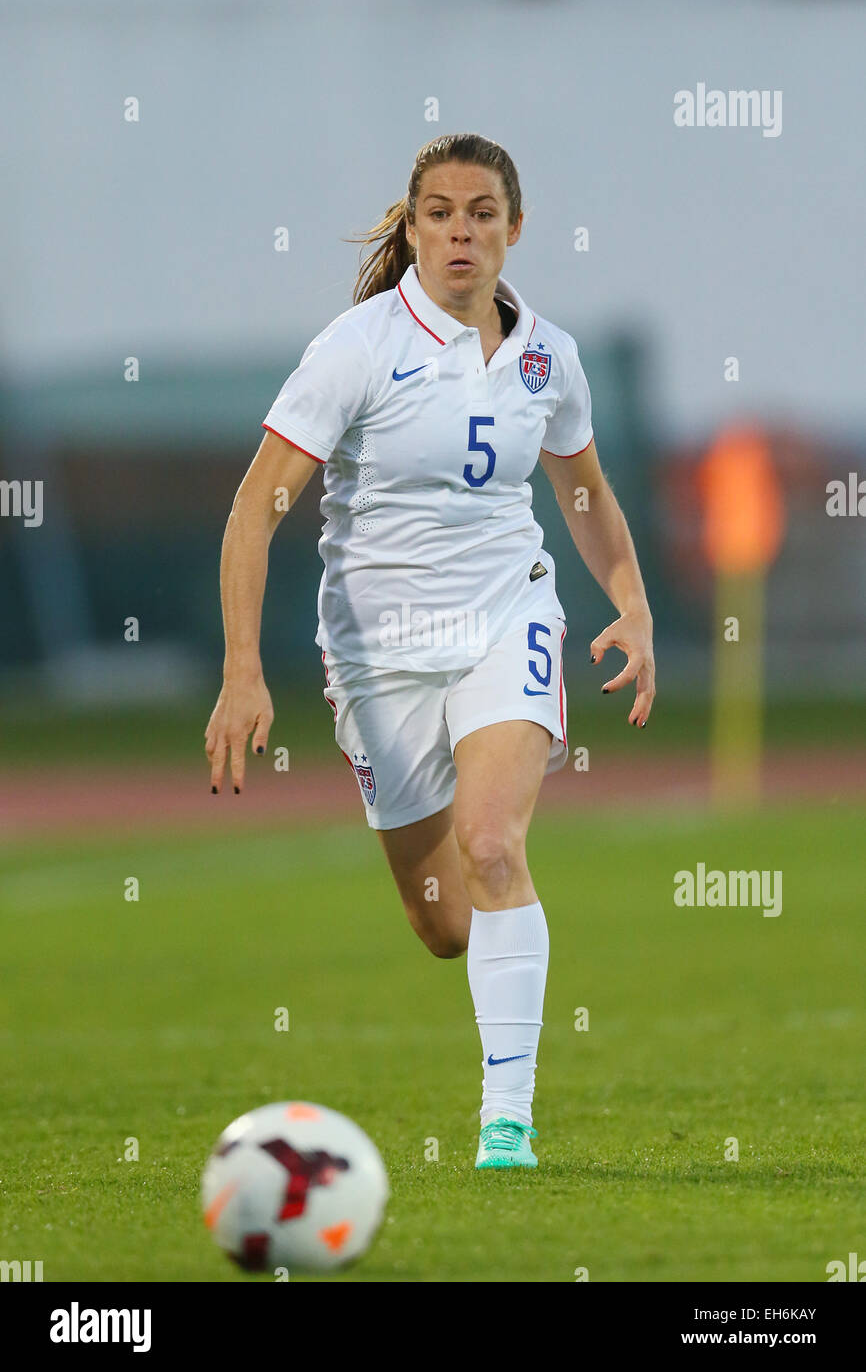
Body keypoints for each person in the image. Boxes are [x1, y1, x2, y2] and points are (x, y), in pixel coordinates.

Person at [205, 133, 655, 1170]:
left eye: (482, 212)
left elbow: (580, 491)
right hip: (377, 658)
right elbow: (251, 511)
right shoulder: (357, 348)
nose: (461, 230)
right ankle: (475, 937)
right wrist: (241, 669)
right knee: (444, 923)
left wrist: (627, 601)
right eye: (440, 213)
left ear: (513, 226)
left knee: (494, 845)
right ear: (410, 229)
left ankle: (507, 1123)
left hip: (506, 617)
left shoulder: (547, 355)